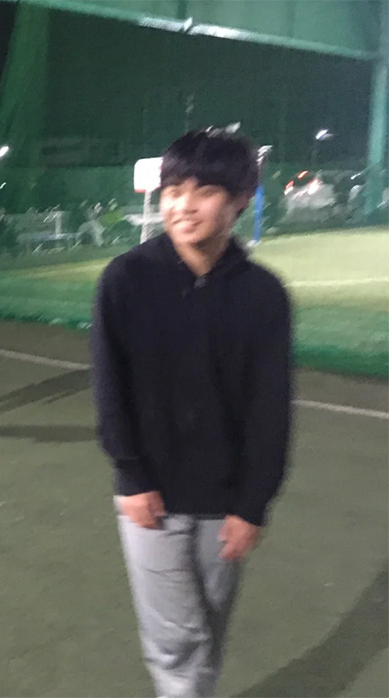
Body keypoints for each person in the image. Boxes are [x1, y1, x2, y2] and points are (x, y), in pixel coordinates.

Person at [91, 128, 293, 698]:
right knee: (178, 641)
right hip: (149, 496)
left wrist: (252, 503)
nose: (184, 205)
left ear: (240, 200)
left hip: (225, 500)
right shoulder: (125, 279)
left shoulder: (263, 294)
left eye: (204, 191)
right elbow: (109, 388)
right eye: (174, 190)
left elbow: (270, 406)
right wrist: (131, 473)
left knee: (207, 630)